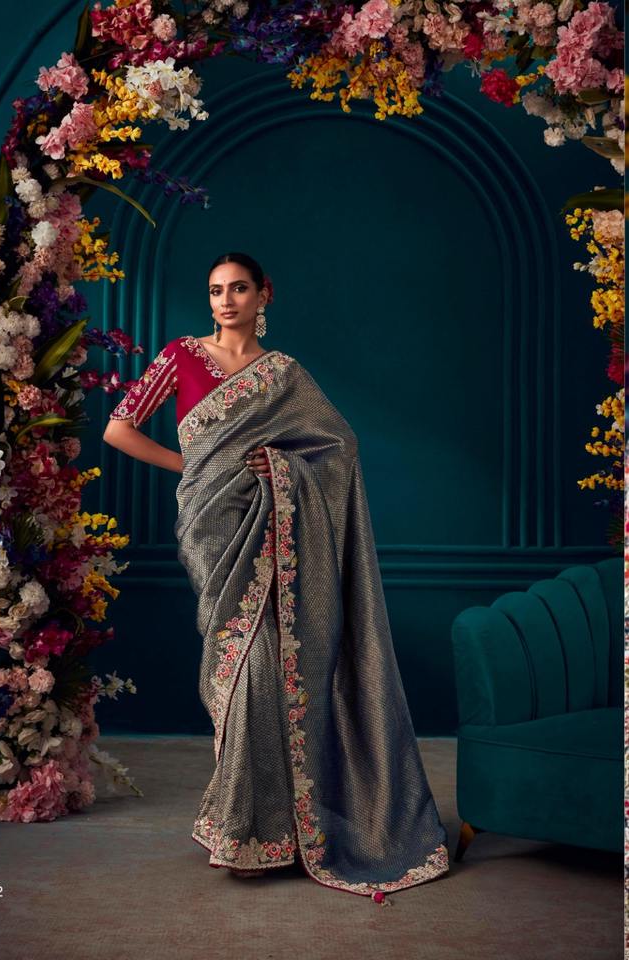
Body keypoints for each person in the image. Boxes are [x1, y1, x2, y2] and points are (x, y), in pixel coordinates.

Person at [103, 252, 450, 903]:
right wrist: (197, 468)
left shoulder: (285, 374)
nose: (225, 300)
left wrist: (284, 472)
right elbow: (118, 428)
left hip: (276, 530)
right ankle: (251, 827)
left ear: (264, 295)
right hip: (212, 527)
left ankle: (268, 831)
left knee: (268, 671)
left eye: (238, 288)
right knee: (237, 668)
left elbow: (338, 448)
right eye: (216, 290)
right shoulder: (179, 356)